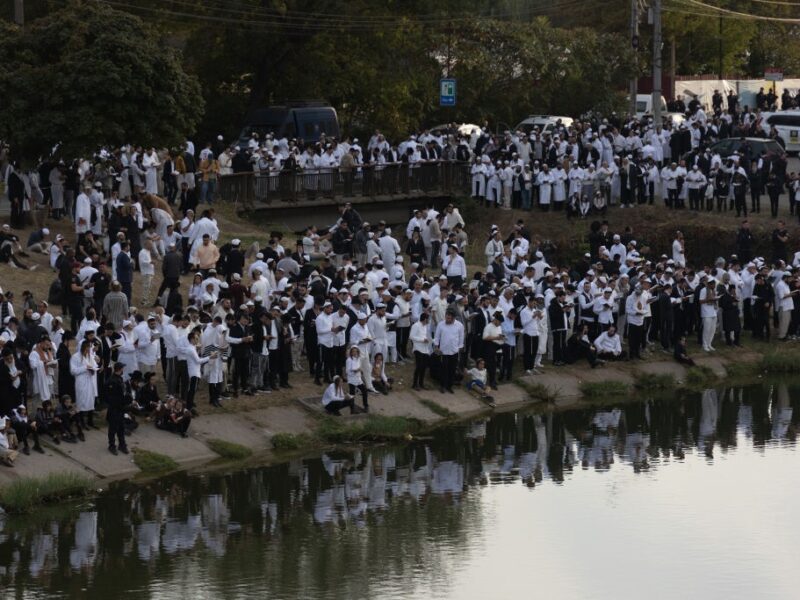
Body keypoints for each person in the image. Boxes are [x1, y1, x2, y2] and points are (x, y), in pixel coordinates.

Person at [434, 308, 464, 394]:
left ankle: (449, 386)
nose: (448, 319)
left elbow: (461, 337)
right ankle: (443, 386)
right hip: (443, 351)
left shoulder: (459, 325)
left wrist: (460, 347)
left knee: (452, 369)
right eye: (447, 317)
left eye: (450, 318)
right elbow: (437, 336)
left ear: (454, 318)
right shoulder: (441, 324)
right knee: (444, 369)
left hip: (454, 351)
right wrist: (436, 346)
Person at [105, 362, 130, 455]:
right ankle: (112, 445)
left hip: (120, 408)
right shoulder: (111, 381)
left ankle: (122, 445)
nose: (123, 370)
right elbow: (109, 396)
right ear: (120, 369)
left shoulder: (120, 379)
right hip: (114, 408)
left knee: (121, 427)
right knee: (113, 428)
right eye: (122, 368)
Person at [410, 311, 432, 390]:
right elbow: (411, 337)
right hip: (418, 348)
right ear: (425, 319)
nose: (428, 321)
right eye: (427, 319)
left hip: (425, 349)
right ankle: (414, 384)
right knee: (419, 366)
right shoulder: (416, 325)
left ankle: (421, 383)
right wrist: (422, 340)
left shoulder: (425, 326)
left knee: (424, 367)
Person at [346, 346, 368, 412]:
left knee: (364, 391)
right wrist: (355, 371)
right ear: (351, 352)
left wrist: (360, 371)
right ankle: (352, 409)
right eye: (353, 351)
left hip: (358, 379)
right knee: (352, 394)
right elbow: (347, 371)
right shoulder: (349, 360)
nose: (354, 353)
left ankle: (365, 405)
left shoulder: (358, 359)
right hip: (352, 379)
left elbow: (359, 367)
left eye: (356, 351)